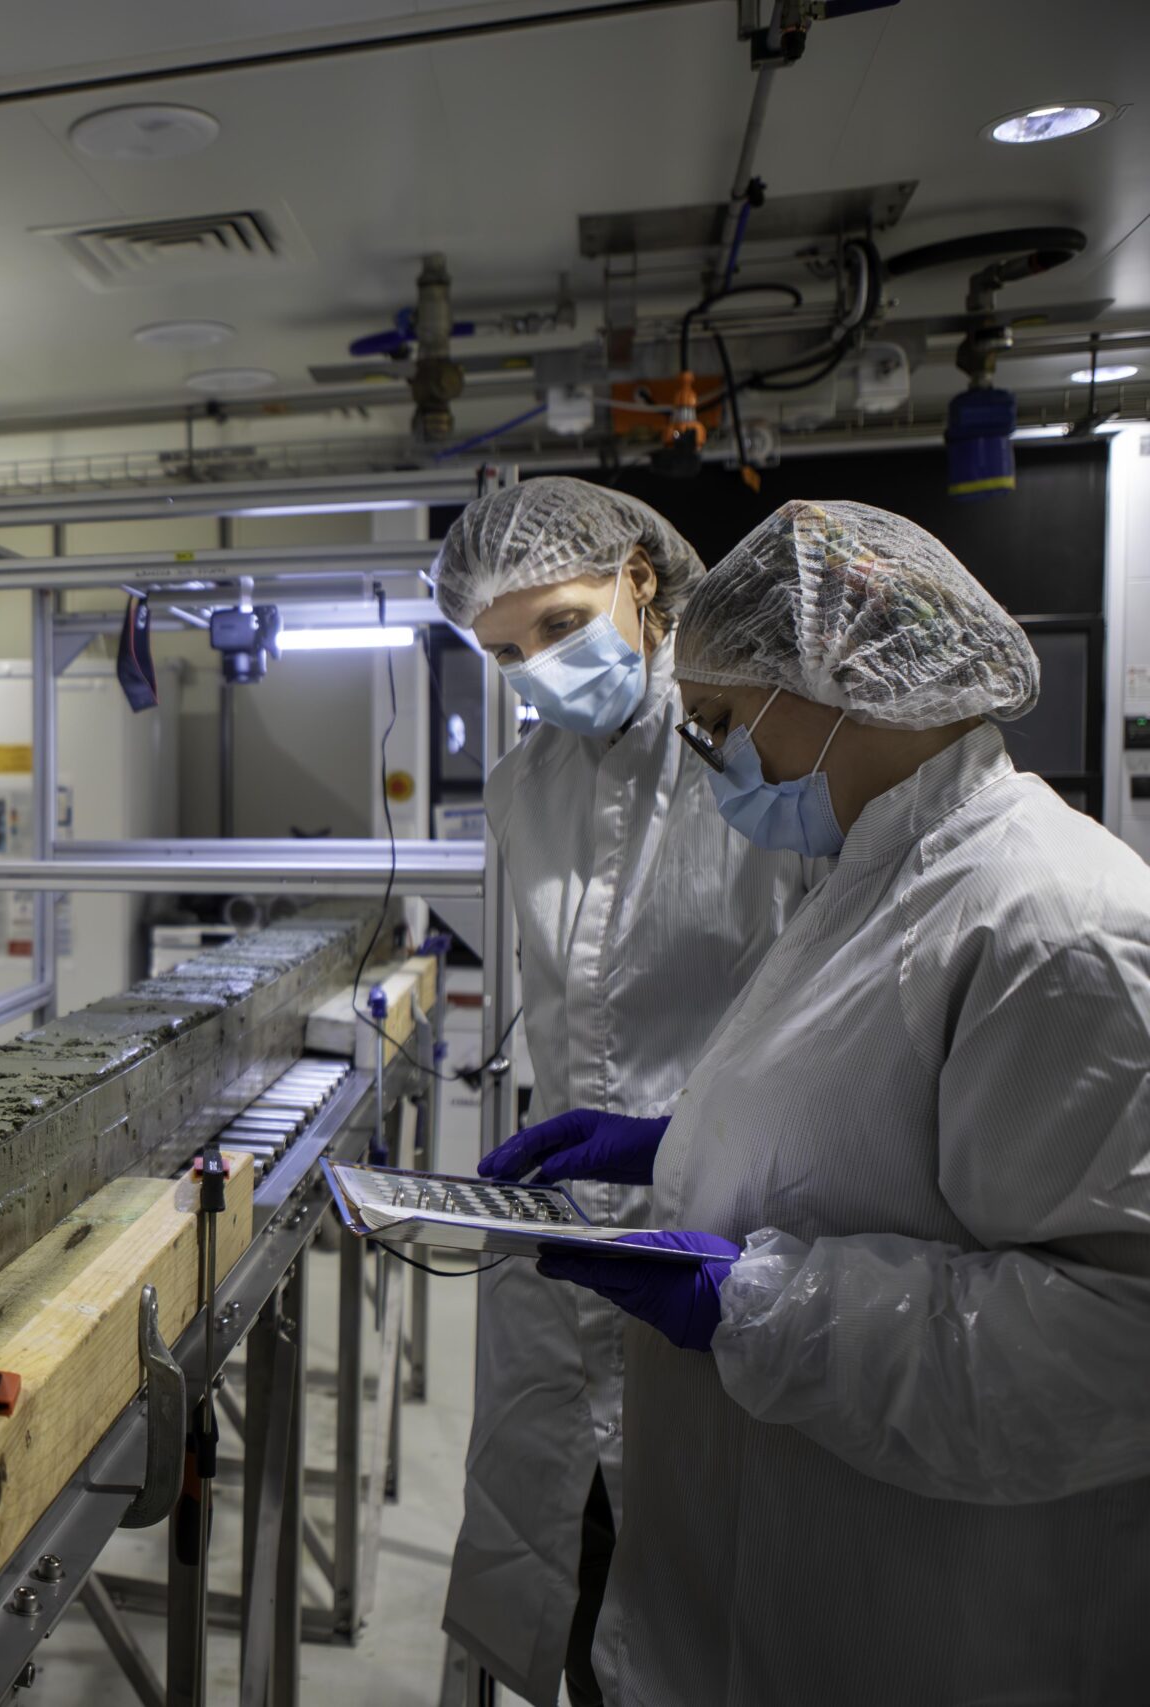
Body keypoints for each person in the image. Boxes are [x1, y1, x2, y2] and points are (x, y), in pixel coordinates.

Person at [534, 500, 1150, 1702]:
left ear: (837, 677)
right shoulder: (872, 876)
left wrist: (754, 1308)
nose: (715, 763)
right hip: (770, 1581)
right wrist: (679, 1146)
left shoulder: (1054, 921)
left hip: (931, 1620)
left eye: (715, 724)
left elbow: (1111, 1341)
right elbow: (872, 1126)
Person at [430, 479, 813, 1707]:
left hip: (730, 1222)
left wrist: (679, 1139)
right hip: (563, 1233)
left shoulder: (754, 757)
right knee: (567, 1545)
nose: (534, 671)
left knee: (706, 1588)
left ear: (638, 578)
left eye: (555, 626)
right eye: (500, 652)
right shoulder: (523, 789)